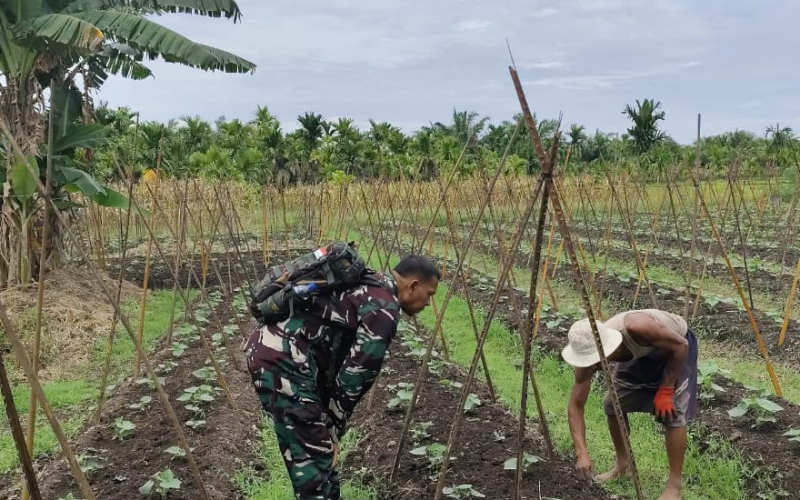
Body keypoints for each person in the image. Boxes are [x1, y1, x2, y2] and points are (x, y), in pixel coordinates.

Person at [246, 254, 440, 500]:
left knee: (305, 451)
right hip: (286, 363)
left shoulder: (371, 283)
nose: (428, 303)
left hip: (273, 355)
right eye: (429, 294)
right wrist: (332, 430)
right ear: (412, 286)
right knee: (314, 465)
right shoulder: (384, 308)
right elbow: (354, 377)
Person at [561, 309, 698, 500]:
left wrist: (666, 389)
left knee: (673, 414)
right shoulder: (587, 358)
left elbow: (681, 346)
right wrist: (581, 452)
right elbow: (576, 405)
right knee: (613, 405)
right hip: (641, 352)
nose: (593, 366)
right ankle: (623, 465)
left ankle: (674, 487)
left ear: (607, 348)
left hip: (674, 349)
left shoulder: (637, 327)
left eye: (595, 360)